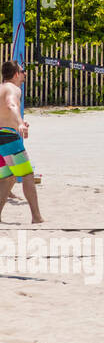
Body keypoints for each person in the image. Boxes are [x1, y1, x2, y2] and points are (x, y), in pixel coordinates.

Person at [0, 61, 43, 224]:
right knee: (27, 175)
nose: (25, 73)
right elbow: (10, 104)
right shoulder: (13, 89)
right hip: (8, 137)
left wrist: (20, 122)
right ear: (16, 74)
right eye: (23, 71)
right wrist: (19, 122)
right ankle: (36, 217)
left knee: (7, 178)